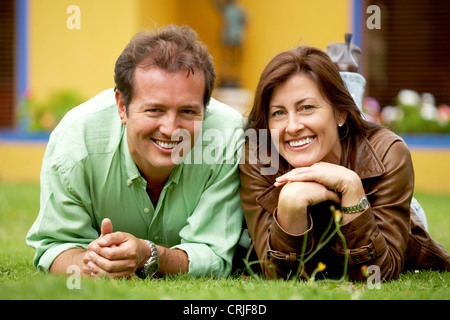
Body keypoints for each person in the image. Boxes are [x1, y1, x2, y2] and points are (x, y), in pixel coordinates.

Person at [26, 25, 245, 279]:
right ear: (122, 106)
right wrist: (95, 263)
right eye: (154, 110)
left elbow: (216, 256)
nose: (171, 129)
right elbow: (54, 247)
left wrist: (147, 254)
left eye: (188, 111)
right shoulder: (76, 143)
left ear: (205, 109)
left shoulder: (228, 138)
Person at [239, 45, 450, 281]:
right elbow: (278, 276)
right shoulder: (258, 157)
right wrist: (290, 203)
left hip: (389, 212)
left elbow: (376, 275)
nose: (293, 126)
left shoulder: (387, 153)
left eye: (306, 108)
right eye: (278, 113)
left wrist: (351, 188)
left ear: (340, 113)